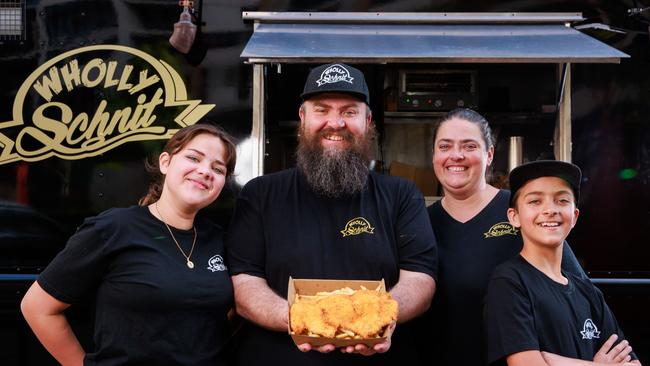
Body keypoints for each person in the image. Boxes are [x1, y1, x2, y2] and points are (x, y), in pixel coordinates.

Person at [226, 63, 437, 366]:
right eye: (321, 110)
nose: (335, 123)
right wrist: (307, 322)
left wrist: (381, 319)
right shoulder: (260, 194)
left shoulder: (402, 194)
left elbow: (420, 279)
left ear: (367, 121)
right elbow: (245, 286)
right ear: (303, 118)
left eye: (349, 112)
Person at [20, 123, 237, 365]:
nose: (205, 171)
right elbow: (37, 307)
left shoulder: (219, 240)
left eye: (217, 169)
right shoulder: (113, 228)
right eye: (193, 158)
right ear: (165, 162)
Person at [420, 108, 587, 366]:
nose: (456, 155)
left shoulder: (524, 212)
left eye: (469, 146)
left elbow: (576, 290)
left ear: (489, 155)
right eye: (445, 146)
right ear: (434, 156)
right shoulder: (421, 223)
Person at [485, 160, 641, 366]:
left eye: (562, 200)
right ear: (514, 217)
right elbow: (526, 364)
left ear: (575, 216)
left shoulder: (589, 293)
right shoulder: (510, 282)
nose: (550, 210)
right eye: (535, 201)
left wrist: (553, 361)